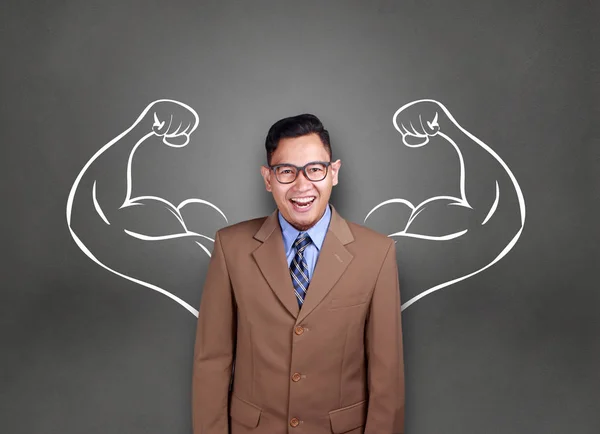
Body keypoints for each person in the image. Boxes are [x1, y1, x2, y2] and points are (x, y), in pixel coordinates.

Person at [192, 114, 405, 434]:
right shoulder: (230, 247)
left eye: (315, 170)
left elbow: (386, 375)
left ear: (333, 173)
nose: (302, 185)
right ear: (267, 178)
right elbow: (212, 362)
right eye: (286, 172)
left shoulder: (377, 253)